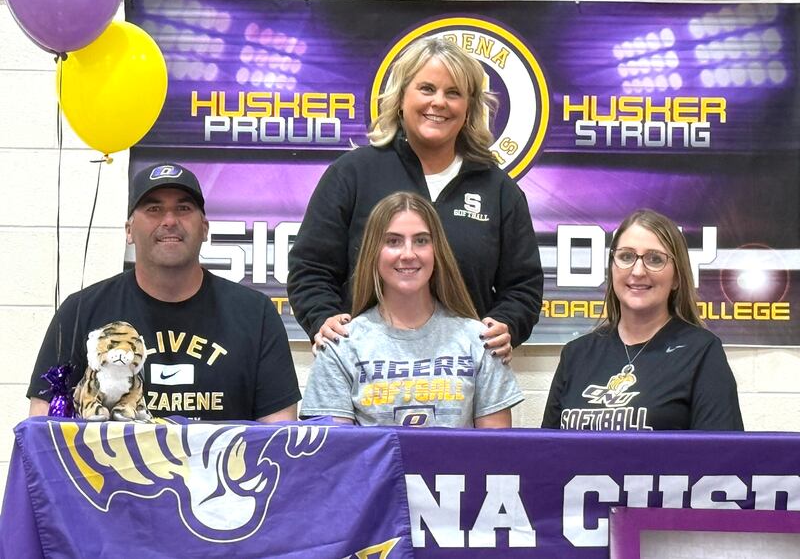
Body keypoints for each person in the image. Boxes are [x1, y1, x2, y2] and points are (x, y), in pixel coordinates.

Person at [287, 36, 543, 363]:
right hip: (364, 370)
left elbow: (523, 287)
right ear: (400, 98)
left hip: (463, 372)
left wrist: (507, 323)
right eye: (426, 89)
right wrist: (323, 317)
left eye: (453, 93)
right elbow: (309, 269)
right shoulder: (353, 173)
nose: (439, 102)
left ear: (469, 108)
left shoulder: (499, 190)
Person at [27, 163, 301, 422]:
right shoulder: (80, 312)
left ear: (205, 228)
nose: (169, 220)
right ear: (129, 231)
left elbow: (279, 435)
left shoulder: (255, 314)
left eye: (183, 208)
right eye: (154, 209)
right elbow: (42, 428)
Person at [300, 192, 523, 427]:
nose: (408, 254)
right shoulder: (340, 345)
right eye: (393, 241)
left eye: (421, 241)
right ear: (373, 251)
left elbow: (496, 447)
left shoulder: (480, 342)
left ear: (437, 250)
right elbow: (335, 448)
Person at [542, 209, 744, 431]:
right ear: (612, 267)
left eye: (655, 259)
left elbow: (721, 450)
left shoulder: (702, 352)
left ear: (677, 277)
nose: (638, 271)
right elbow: (547, 448)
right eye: (626, 257)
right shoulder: (576, 355)